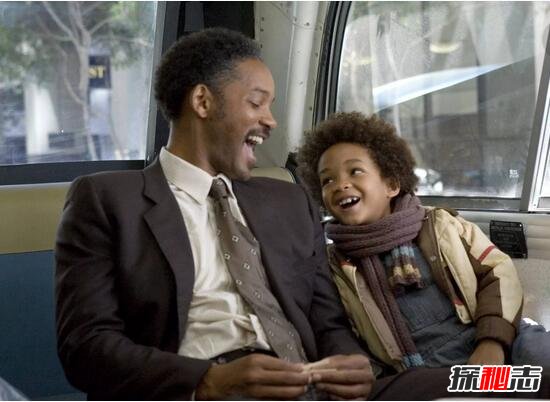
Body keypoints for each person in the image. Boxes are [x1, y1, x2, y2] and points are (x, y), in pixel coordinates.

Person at [54, 28, 373, 400]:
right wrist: (208, 381)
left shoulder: (290, 201)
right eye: (257, 103)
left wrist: (349, 364)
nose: (271, 121)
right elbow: (86, 346)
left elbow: (327, 322)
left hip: (306, 387)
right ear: (203, 102)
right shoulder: (106, 200)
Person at [296, 111, 550, 398]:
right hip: (432, 370)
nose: (340, 184)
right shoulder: (336, 265)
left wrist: (492, 343)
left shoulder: (440, 225)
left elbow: (498, 272)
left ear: (392, 184)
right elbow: (344, 333)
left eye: (355, 171)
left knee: (538, 358)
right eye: (327, 180)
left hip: (497, 340)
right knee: (515, 387)